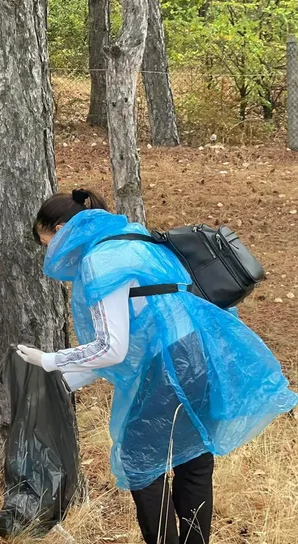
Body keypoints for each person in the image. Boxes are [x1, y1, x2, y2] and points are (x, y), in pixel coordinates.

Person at [17, 189, 298, 544]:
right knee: (193, 461)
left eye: (47, 244)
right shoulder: (137, 238)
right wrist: (69, 379)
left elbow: (112, 349)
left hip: (172, 365)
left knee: (140, 462)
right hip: (206, 352)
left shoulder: (100, 260)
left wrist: (50, 360)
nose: (52, 254)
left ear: (60, 230)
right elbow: (138, 334)